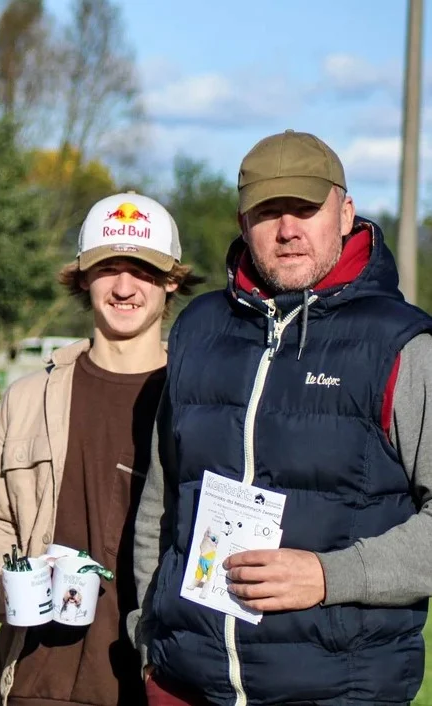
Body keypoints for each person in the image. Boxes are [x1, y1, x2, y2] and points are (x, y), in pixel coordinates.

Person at [131, 130, 432, 705]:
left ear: (344, 213)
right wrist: (151, 638)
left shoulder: (403, 346)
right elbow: (160, 502)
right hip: (184, 684)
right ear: (243, 224)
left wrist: (328, 577)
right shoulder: (196, 331)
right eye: (269, 213)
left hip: (339, 691)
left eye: (305, 209)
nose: (287, 230)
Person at [0, 192, 199, 706]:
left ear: (171, 281)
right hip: (37, 681)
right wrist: (9, 583)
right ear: (81, 277)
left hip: (159, 684)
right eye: (108, 268)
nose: (124, 287)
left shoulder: (200, 402)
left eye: (142, 270)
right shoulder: (27, 400)